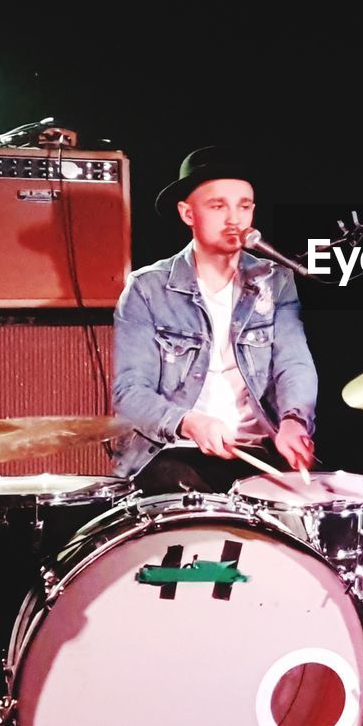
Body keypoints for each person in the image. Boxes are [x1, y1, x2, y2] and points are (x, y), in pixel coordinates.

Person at [112, 146, 318, 495]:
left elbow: (294, 363)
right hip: (173, 452)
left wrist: (294, 420)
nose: (234, 219)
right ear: (187, 213)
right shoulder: (146, 289)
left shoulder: (275, 280)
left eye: (244, 205)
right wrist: (188, 422)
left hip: (256, 450)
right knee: (179, 490)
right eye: (218, 206)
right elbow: (129, 393)